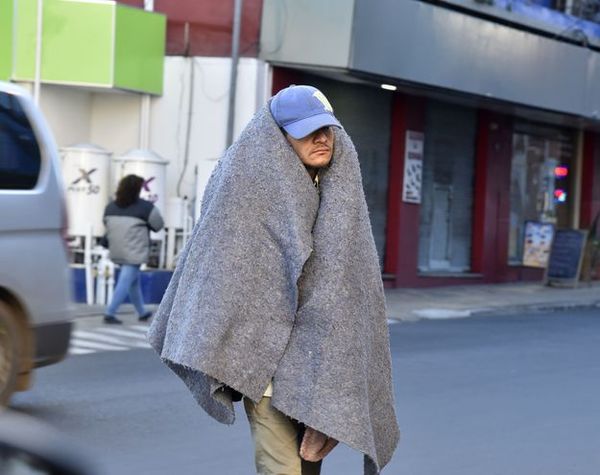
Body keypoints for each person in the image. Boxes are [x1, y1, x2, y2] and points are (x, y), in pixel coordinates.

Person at [149, 85, 399, 474]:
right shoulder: (248, 186)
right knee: (282, 469)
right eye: (307, 130)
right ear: (279, 139)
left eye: (327, 129)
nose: (321, 138)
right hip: (266, 364)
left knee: (306, 470)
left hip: (316, 363)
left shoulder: (337, 189)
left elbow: (350, 282)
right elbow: (225, 270)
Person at [103, 174, 164, 325]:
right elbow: (158, 226)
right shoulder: (146, 207)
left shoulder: (110, 207)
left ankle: (142, 312)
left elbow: (106, 225)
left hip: (117, 249)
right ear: (138, 189)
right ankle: (110, 313)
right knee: (125, 281)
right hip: (134, 251)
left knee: (132, 282)